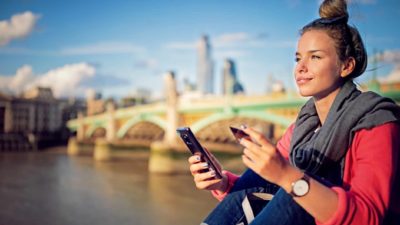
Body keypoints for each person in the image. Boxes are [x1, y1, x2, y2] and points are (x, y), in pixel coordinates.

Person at [187, 0, 400, 224]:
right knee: (269, 173)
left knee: (296, 184)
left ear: (346, 66)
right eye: (298, 58)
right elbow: (262, 188)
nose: (300, 67)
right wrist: (222, 183)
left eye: (315, 57)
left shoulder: (377, 123)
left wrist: (285, 174)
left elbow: (369, 217)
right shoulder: (303, 126)